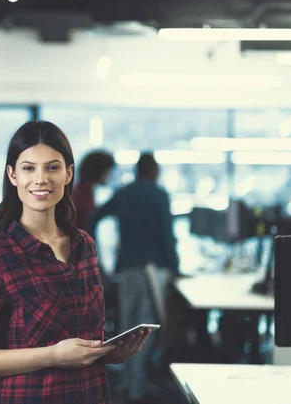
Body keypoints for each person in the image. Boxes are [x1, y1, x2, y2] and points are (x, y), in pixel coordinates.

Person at [0, 121, 152, 404]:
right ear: (13, 175)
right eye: (29, 168)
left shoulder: (85, 246)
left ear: (68, 174)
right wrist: (52, 355)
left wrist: (108, 353)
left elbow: (83, 339)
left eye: (52, 167)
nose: (40, 179)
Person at [88, 152, 179, 404]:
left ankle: (128, 385)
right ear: (154, 171)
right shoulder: (159, 195)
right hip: (151, 269)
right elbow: (166, 235)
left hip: (127, 268)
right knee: (146, 328)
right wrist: (175, 267)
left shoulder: (123, 193)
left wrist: (92, 252)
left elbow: (93, 219)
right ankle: (136, 390)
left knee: (127, 330)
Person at [73, 150, 115, 232]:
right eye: (108, 171)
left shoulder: (81, 190)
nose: (110, 175)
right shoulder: (83, 195)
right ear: (100, 171)